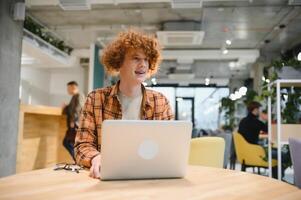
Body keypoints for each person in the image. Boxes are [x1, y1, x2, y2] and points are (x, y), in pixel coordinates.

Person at [74, 29, 174, 179]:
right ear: (119, 62)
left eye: (146, 59)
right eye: (136, 58)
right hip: (107, 177)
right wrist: (96, 157)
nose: (143, 64)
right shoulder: (96, 98)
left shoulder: (160, 101)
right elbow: (82, 145)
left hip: (149, 177)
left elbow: (169, 147)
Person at [62, 81, 85, 161]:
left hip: (75, 124)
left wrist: (73, 121)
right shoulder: (74, 96)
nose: (67, 90)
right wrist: (65, 107)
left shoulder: (79, 96)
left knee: (67, 143)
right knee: (69, 143)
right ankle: (78, 160)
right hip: (74, 124)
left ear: (73, 87)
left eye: (68, 88)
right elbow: (70, 109)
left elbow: (78, 109)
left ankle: (78, 160)